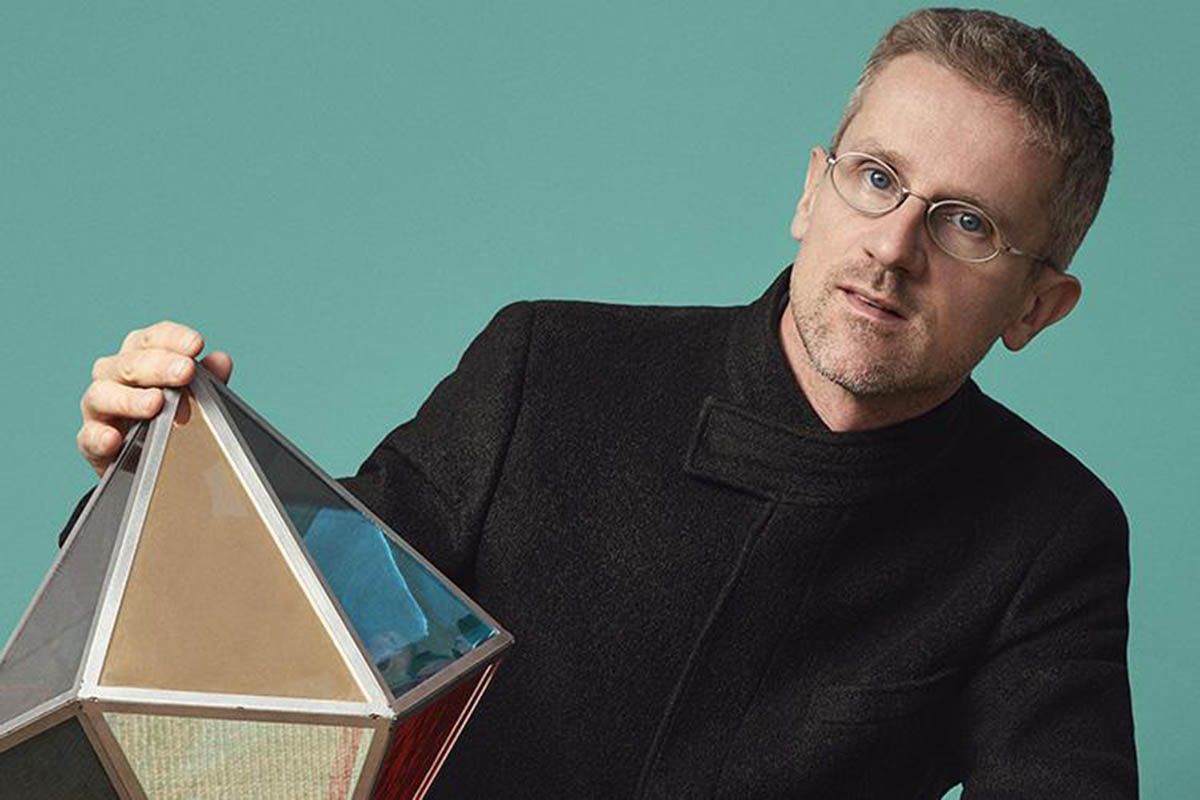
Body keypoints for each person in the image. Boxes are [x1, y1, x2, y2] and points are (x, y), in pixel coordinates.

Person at [71, 8, 1136, 798]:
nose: (893, 246)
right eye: (876, 178)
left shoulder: (1050, 537)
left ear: (1037, 306)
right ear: (810, 191)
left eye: (966, 224)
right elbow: (292, 635)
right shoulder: (549, 365)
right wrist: (163, 475)